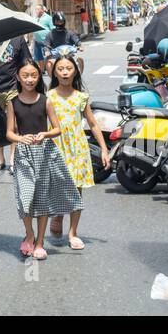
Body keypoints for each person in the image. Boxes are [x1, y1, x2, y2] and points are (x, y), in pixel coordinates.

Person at [6, 58, 79, 261]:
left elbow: (57, 128)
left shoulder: (45, 100)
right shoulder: (13, 102)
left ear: (39, 77)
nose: (30, 79)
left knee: (43, 198)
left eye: (33, 75)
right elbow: (9, 133)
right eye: (25, 76)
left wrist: (44, 135)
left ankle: (39, 242)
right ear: (18, 78)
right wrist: (20, 138)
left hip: (44, 153)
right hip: (23, 154)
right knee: (25, 196)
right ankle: (29, 233)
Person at [45, 54, 109, 249]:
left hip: (77, 147)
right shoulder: (48, 97)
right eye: (60, 69)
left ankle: (73, 232)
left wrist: (104, 150)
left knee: (76, 189)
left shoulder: (81, 97)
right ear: (54, 73)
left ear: (75, 72)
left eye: (69, 69)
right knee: (56, 185)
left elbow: (93, 124)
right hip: (55, 146)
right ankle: (57, 214)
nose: (65, 72)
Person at [0, 34, 34, 172]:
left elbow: (27, 60)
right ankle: (0, 158)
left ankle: (13, 158)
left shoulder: (17, 39)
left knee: (13, 125)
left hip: (13, 86)